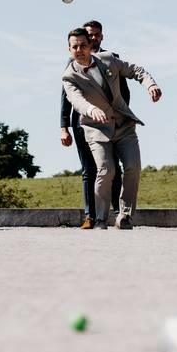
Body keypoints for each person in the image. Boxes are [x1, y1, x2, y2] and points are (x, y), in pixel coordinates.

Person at [62, 27, 162, 229]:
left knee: (133, 167)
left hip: (123, 125)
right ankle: (100, 219)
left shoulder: (108, 59)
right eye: (75, 47)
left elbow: (136, 70)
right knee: (106, 170)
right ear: (69, 49)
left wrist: (150, 84)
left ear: (90, 46)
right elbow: (76, 100)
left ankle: (124, 216)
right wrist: (91, 110)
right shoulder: (69, 77)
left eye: (83, 45)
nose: (79, 50)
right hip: (96, 128)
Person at [59, 20, 129, 229]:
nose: (93, 38)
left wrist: (121, 117)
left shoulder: (110, 59)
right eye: (89, 35)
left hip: (111, 122)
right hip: (82, 123)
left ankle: (118, 213)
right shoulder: (72, 64)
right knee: (89, 169)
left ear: (101, 37)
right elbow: (66, 98)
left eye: (96, 35)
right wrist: (64, 127)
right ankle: (91, 216)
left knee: (112, 167)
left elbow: (123, 93)